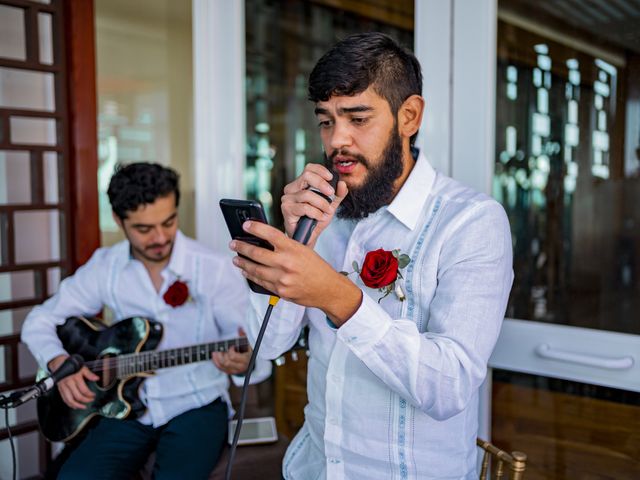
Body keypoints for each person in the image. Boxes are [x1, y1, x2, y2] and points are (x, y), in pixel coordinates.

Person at [230, 32, 513, 479]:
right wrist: (293, 241)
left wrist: (338, 297)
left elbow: (449, 386)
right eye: (326, 121)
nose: (336, 140)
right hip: (314, 468)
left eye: (357, 118)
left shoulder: (472, 222)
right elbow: (267, 345)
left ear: (410, 116)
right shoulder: (323, 214)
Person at [21, 163, 269, 479]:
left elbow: (247, 343)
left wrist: (244, 362)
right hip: (126, 411)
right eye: (143, 228)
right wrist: (58, 363)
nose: (160, 237)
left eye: (168, 222)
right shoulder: (106, 266)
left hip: (196, 406)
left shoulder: (215, 268)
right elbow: (38, 320)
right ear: (118, 220)